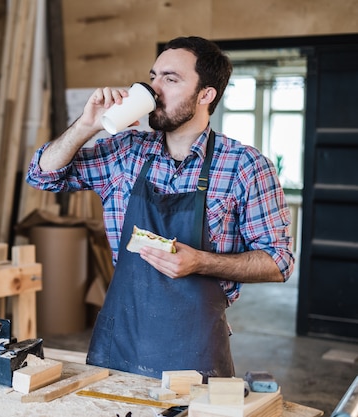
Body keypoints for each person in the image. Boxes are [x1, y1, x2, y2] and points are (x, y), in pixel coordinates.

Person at [25, 36, 294, 379]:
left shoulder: (246, 166)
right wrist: (86, 125)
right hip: (121, 339)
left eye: (170, 79)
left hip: (194, 349)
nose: (153, 90)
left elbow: (279, 261)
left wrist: (201, 262)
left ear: (205, 95)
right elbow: (42, 176)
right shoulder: (126, 151)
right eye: (153, 77)